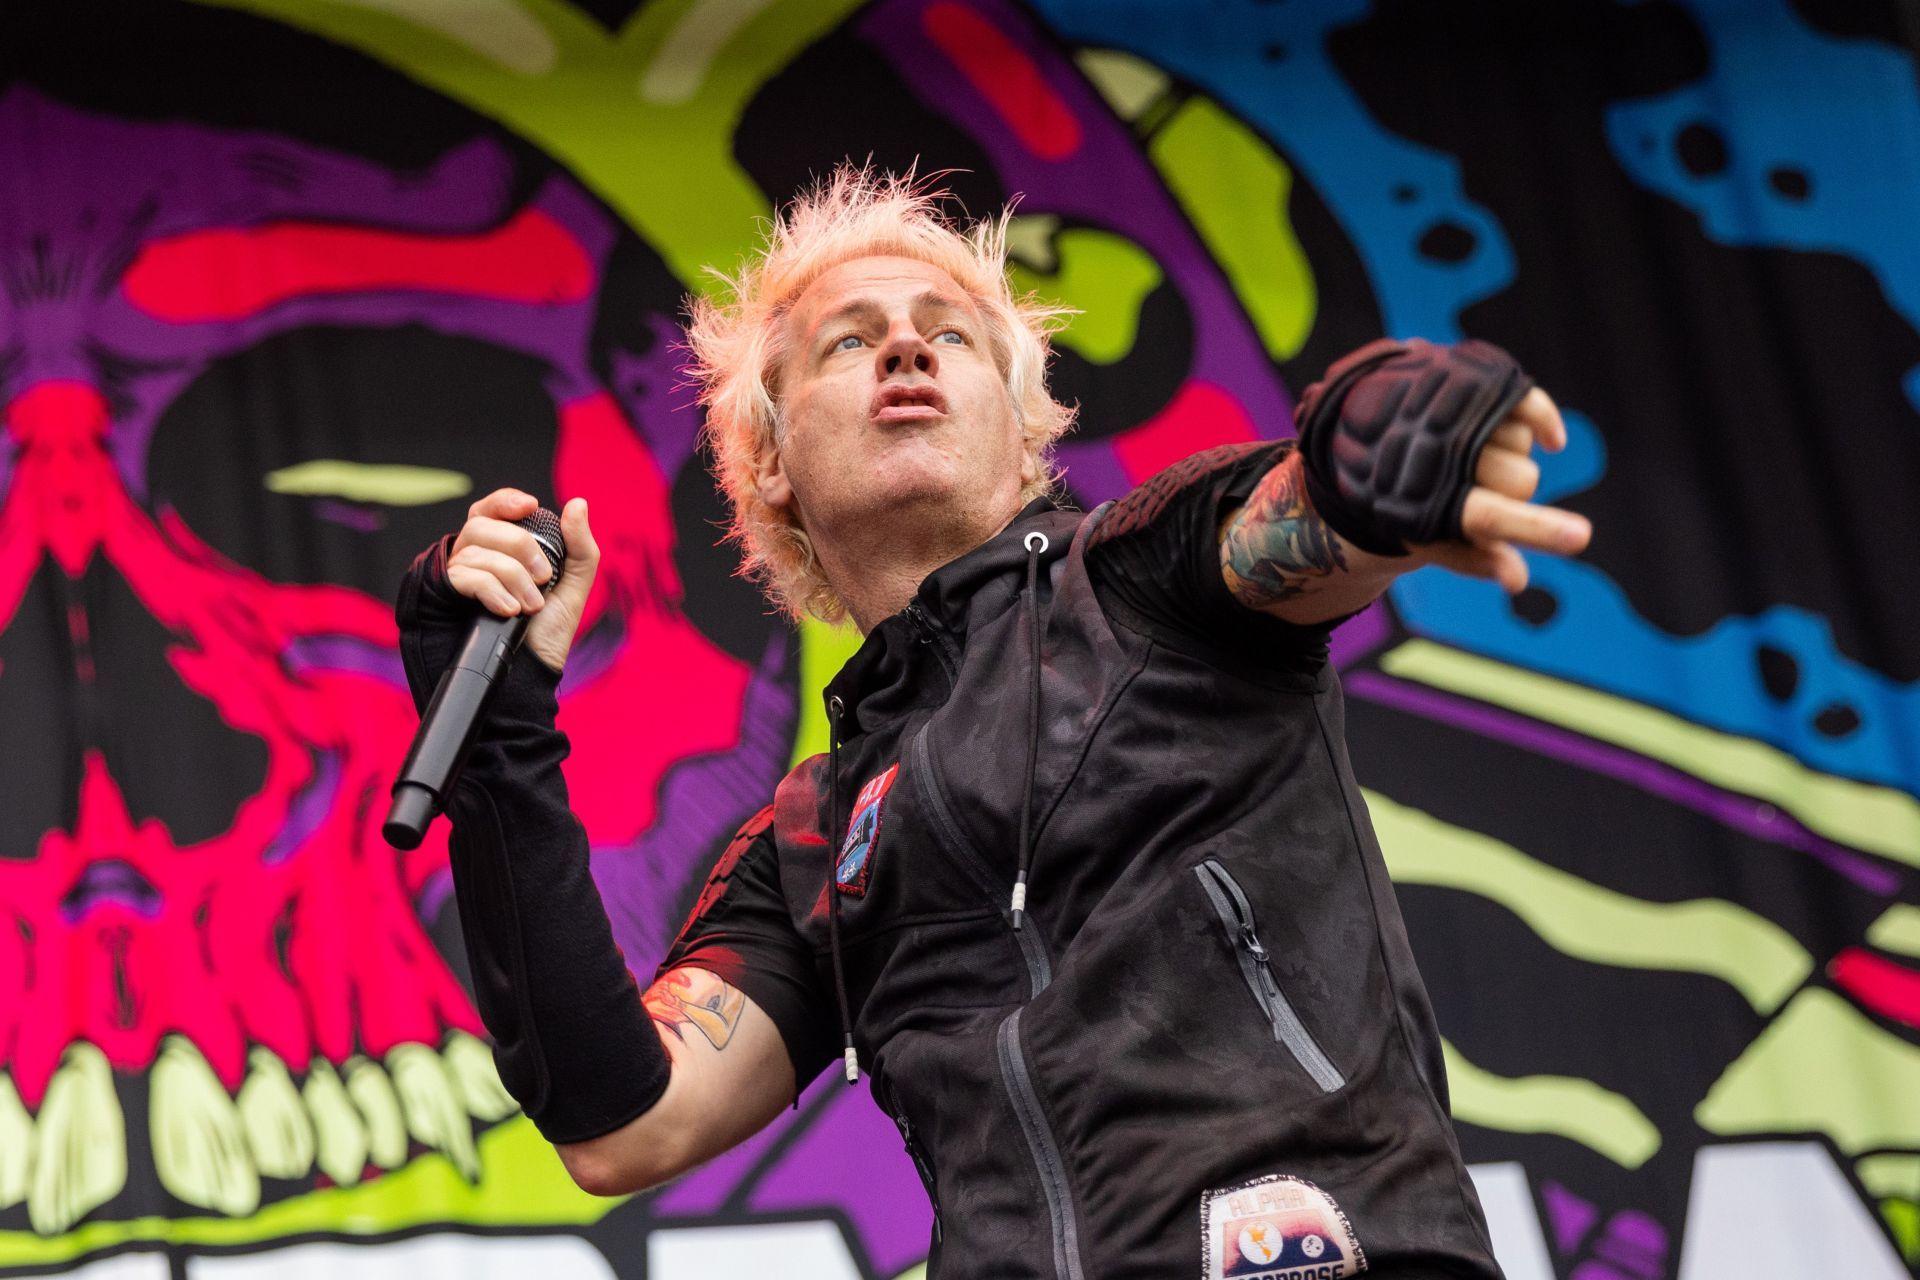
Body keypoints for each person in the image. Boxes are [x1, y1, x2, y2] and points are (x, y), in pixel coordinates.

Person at [395, 167, 1591, 1279]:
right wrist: (498, 740)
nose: (905, 344)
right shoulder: (815, 830)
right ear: (767, 461)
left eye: (948, 332)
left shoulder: (1144, 582)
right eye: (848, 342)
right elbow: (623, 1123)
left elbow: (1293, 518)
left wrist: (1373, 463)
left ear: (1025, 437)